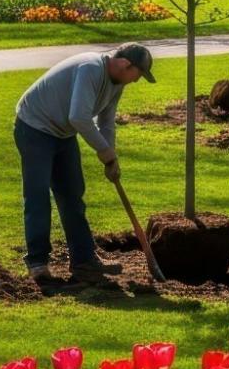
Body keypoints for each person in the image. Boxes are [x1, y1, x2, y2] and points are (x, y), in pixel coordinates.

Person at [13, 43, 154, 283]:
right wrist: (104, 151)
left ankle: (83, 259)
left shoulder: (117, 83)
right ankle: (38, 262)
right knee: (38, 195)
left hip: (63, 133)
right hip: (34, 127)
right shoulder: (90, 68)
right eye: (138, 74)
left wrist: (111, 156)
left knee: (72, 194)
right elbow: (78, 117)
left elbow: (106, 121)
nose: (136, 80)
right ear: (124, 64)